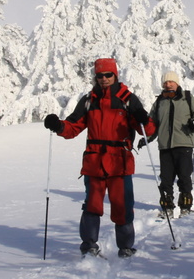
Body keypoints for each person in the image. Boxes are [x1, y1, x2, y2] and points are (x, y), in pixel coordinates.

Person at [42, 58, 154, 259]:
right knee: (92, 205)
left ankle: (126, 247)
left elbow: (147, 131)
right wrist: (58, 126)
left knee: (122, 206)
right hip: (94, 162)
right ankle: (89, 246)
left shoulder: (128, 99)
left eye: (108, 75)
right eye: (100, 75)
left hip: (119, 162)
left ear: (115, 75)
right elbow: (73, 126)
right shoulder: (88, 100)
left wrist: (144, 119)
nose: (104, 79)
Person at [148, 70, 194, 218]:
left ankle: (185, 207)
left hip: (184, 143)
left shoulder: (186, 97)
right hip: (165, 145)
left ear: (176, 83)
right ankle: (167, 208)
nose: (168, 84)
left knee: (184, 177)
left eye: (171, 81)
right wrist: (148, 137)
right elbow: (152, 122)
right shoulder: (160, 101)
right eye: (165, 82)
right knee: (166, 178)